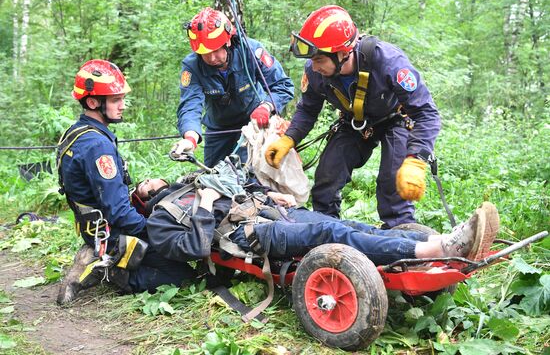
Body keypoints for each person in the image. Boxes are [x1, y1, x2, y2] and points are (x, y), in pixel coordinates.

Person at [265, 5, 441, 229]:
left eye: (319, 60)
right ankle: (325, 230)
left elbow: (426, 113)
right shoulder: (314, 71)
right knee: (327, 177)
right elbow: (308, 109)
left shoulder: (388, 61)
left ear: (341, 53)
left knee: (393, 182)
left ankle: (401, 235)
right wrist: (289, 139)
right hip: (354, 123)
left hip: (395, 119)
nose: (313, 66)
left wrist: (416, 159)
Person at [135, 175, 499, 270]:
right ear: (144, 199)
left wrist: (266, 193)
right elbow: (195, 249)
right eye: (143, 185)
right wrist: (205, 207)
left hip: (270, 212)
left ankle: (426, 244)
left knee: (350, 224)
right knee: (329, 232)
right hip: (251, 237)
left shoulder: (190, 183)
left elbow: (239, 186)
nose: (151, 180)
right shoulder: (160, 221)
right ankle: (437, 248)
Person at [56, 59, 194, 305]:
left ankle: (99, 252)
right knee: (183, 274)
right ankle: (113, 271)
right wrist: (157, 231)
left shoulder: (77, 133)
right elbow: (119, 213)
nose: (122, 105)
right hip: (112, 234)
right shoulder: (98, 146)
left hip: (95, 228)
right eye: (115, 100)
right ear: (93, 102)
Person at [171, 7, 294, 167]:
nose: (211, 58)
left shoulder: (251, 51)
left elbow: (283, 85)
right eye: (204, 53)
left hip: (253, 125)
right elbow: (190, 104)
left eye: (215, 50)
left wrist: (267, 106)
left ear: (227, 41)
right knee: (213, 178)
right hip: (218, 130)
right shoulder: (192, 66)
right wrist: (190, 138)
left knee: (250, 176)